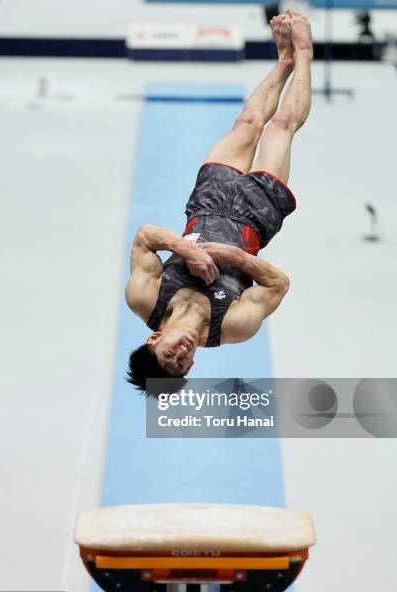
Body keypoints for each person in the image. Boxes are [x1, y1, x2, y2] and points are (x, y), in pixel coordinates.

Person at [126, 9, 313, 393]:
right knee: (280, 128)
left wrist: (185, 250)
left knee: (246, 123)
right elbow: (279, 286)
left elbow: (145, 237)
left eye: (169, 356)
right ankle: (305, 51)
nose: (184, 353)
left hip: (206, 204)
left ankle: (284, 60)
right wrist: (236, 258)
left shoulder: (145, 299)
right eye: (184, 365)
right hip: (255, 217)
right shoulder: (232, 327)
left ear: (152, 340)